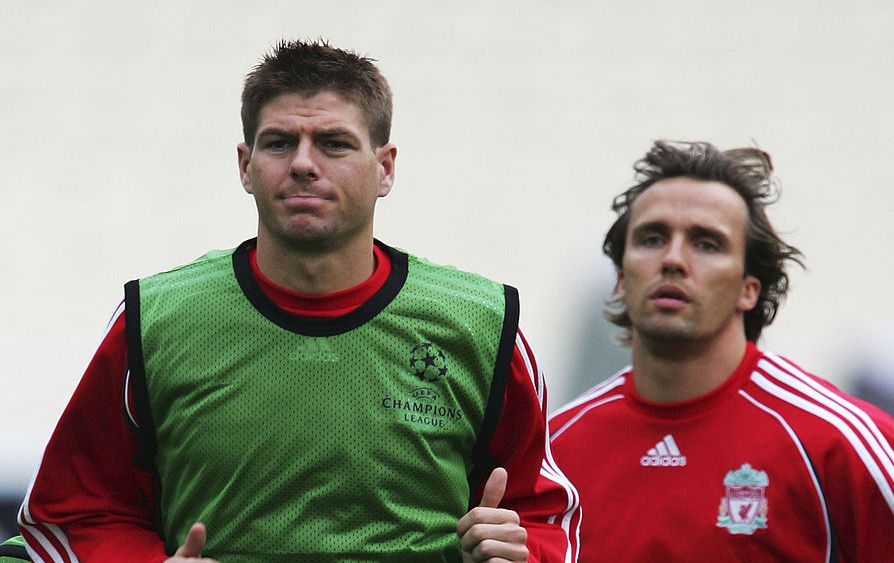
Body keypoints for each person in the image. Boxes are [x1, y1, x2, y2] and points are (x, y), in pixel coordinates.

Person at [18, 39, 580, 562]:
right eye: (279, 143)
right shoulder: (157, 318)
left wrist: (522, 551)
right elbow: (74, 511)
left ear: (384, 168)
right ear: (246, 165)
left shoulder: (480, 322)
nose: (304, 163)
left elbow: (546, 518)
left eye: (334, 144)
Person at [549, 140, 894, 562]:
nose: (673, 259)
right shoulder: (554, 452)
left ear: (750, 289)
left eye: (706, 243)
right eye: (652, 238)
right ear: (622, 278)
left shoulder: (840, 444)